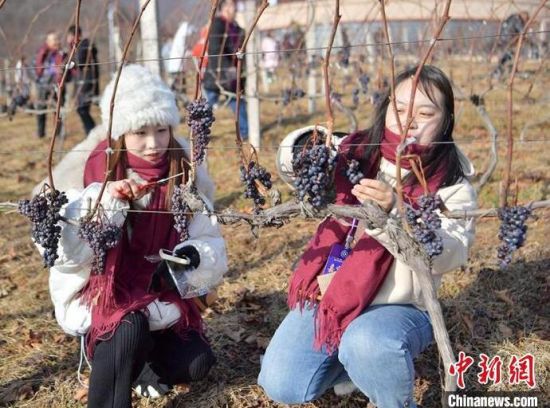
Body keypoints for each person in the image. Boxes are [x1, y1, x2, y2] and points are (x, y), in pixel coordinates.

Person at [258, 65, 477, 408]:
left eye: (424, 114)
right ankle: (355, 367)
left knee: (367, 343)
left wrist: (395, 213)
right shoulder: (357, 151)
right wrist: (306, 148)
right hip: (333, 293)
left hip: (399, 307)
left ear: (446, 120)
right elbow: (297, 167)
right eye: (399, 109)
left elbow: (447, 254)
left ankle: (383, 381)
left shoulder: (450, 182)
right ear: (386, 106)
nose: (408, 122)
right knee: (282, 383)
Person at [39, 64, 228, 407]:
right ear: (120, 133)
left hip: (160, 296)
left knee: (196, 363)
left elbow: (210, 239)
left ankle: (136, 363)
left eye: (161, 130)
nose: (154, 144)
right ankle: (106, 358)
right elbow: (63, 253)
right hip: (106, 299)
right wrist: (107, 203)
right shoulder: (88, 170)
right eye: (140, 132)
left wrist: (191, 258)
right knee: (128, 326)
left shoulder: (184, 170)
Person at [203, 0, 248, 139]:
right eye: (229, 5)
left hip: (233, 77)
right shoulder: (217, 24)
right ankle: (199, 134)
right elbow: (215, 50)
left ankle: (245, 132)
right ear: (223, 8)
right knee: (207, 107)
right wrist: (227, 69)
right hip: (216, 74)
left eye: (234, 5)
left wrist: (239, 72)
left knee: (238, 103)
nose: (233, 8)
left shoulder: (237, 28)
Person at [67, 24, 100, 135]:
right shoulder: (82, 45)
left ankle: (92, 132)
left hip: (85, 83)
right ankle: (91, 132)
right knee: (81, 109)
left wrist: (69, 63)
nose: (68, 38)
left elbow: (79, 61)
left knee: (82, 109)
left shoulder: (83, 45)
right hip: (83, 82)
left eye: (69, 36)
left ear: (74, 35)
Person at [34, 31, 67, 138]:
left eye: (57, 39)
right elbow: (36, 69)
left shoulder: (62, 53)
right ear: (47, 42)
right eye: (54, 39)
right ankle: (40, 133)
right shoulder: (42, 53)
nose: (56, 42)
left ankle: (58, 133)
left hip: (58, 85)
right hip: (43, 85)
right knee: (41, 109)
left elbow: (69, 70)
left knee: (58, 110)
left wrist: (62, 71)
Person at [492, 11, 529, 80]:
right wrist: (525, 34)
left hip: (502, 39)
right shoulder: (517, 20)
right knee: (508, 57)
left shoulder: (511, 18)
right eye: (526, 19)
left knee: (506, 57)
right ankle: (500, 73)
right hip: (508, 41)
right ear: (524, 16)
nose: (525, 21)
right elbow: (522, 31)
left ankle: (508, 71)